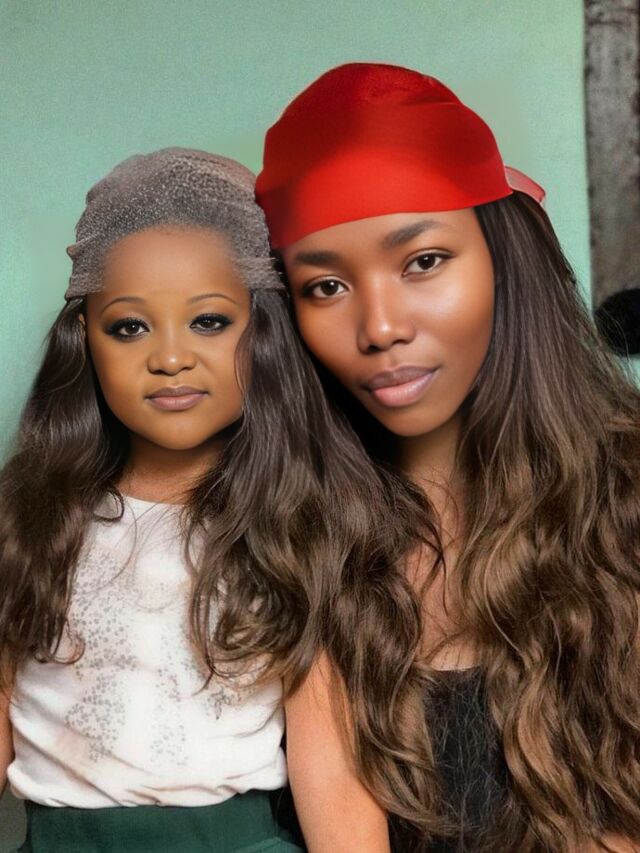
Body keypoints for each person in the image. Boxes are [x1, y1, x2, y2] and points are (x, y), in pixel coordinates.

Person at [256, 63, 640, 852]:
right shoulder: (303, 535)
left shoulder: (625, 495)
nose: (380, 326)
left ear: (503, 257)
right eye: (325, 286)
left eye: (423, 261)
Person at [0, 147, 410, 852]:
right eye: (129, 327)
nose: (169, 358)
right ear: (85, 341)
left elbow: (334, 777)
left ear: (265, 333)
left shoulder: (295, 524)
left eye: (210, 321)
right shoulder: (29, 518)